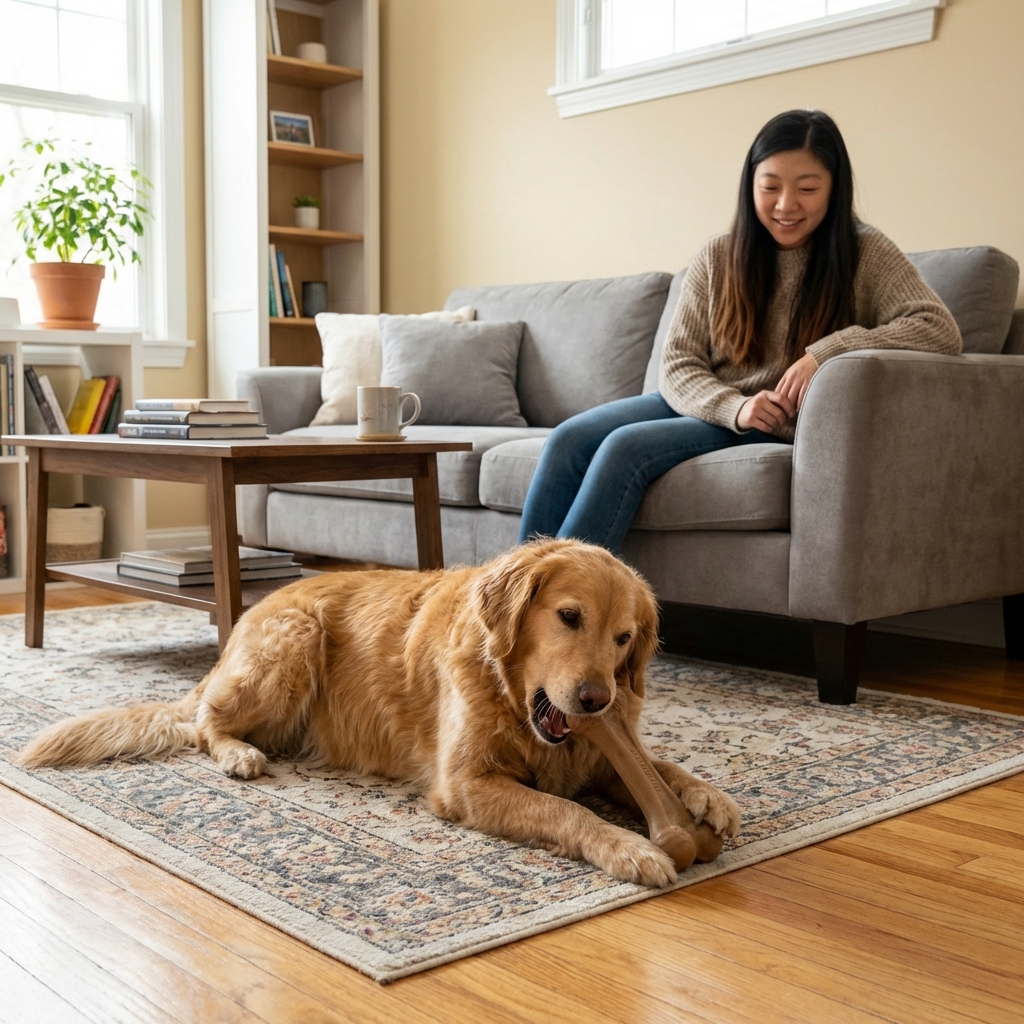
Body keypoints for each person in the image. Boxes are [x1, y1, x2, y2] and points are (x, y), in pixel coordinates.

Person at [518, 108, 961, 552]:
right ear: (751, 185)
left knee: (624, 450)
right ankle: (504, 605)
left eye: (807, 188)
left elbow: (937, 328)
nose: (786, 205)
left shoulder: (866, 252)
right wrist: (734, 406)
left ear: (834, 189)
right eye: (770, 187)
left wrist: (825, 353)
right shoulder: (718, 256)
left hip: (771, 420)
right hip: (717, 404)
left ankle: (560, 604)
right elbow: (676, 365)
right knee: (568, 439)